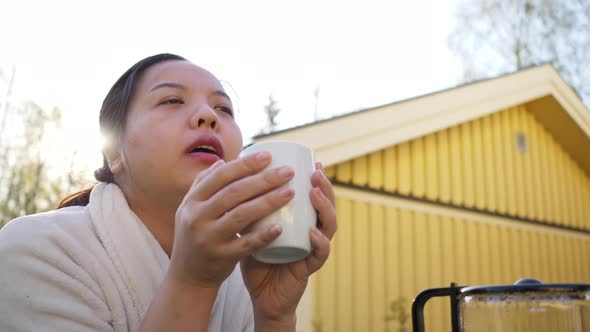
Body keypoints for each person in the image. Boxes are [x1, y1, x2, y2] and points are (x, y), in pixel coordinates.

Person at [0, 53, 337, 332]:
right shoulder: (36, 249)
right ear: (115, 152)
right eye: (172, 100)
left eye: (224, 109)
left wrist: (275, 316)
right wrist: (193, 284)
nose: (208, 115)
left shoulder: (242, 278)